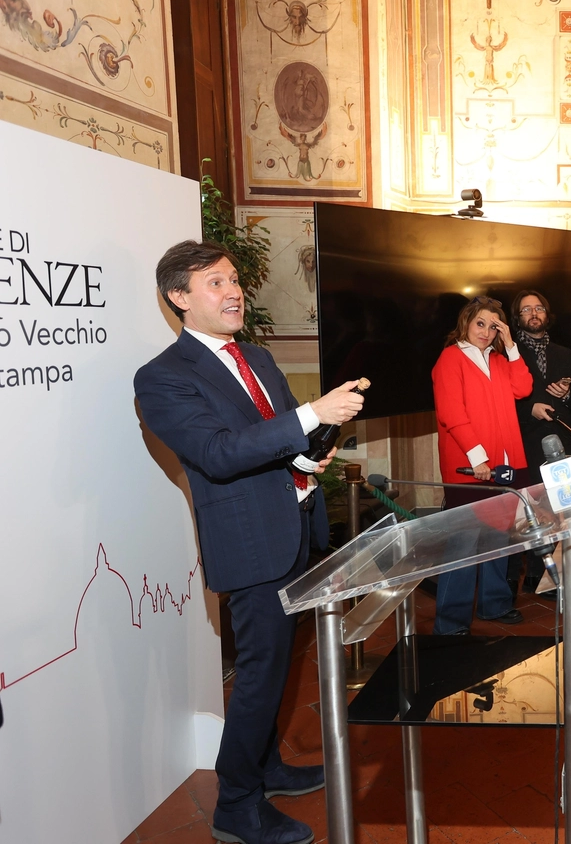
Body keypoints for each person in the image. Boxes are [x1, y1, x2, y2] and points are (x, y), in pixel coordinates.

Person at [135, 240, 367, 844]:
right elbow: (216, 454)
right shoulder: (162, 376)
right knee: (260, 673)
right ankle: (236, 807)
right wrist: (313, 415)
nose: (234, 291)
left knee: (281, 664)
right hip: (250, 543)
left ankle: (266, 767)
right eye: (216, 283)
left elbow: (281, 434)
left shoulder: (257, 357)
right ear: (179, 298)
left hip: (294, 528)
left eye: (234, 279)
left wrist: (317, 446)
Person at [431, 296, 533, 634]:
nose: (486, 332)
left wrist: (511, 345)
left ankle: (495, 604)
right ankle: (450, 623)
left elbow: (524, 387)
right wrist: (478, 459)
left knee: (498, 539)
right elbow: (451, 413)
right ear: (466, 322)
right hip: (470, 466)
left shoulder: (502, 361)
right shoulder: (450, 358)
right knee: (462, 545)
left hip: (506, 465)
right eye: (481, 324)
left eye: (494, 326)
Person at [511, 290, 571, 594]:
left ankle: (559, 578)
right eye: (527, 309)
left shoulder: (565, 353)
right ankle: (531, 574)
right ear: (518, 317)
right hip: (524, 442)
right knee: (529, 513)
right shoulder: (506, 354)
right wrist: (531, 408)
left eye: (539, 308)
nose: (534, 313)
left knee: (563, 512)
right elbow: (500, 404)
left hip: (564, 445)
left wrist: (567, 392)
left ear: (547, 314)